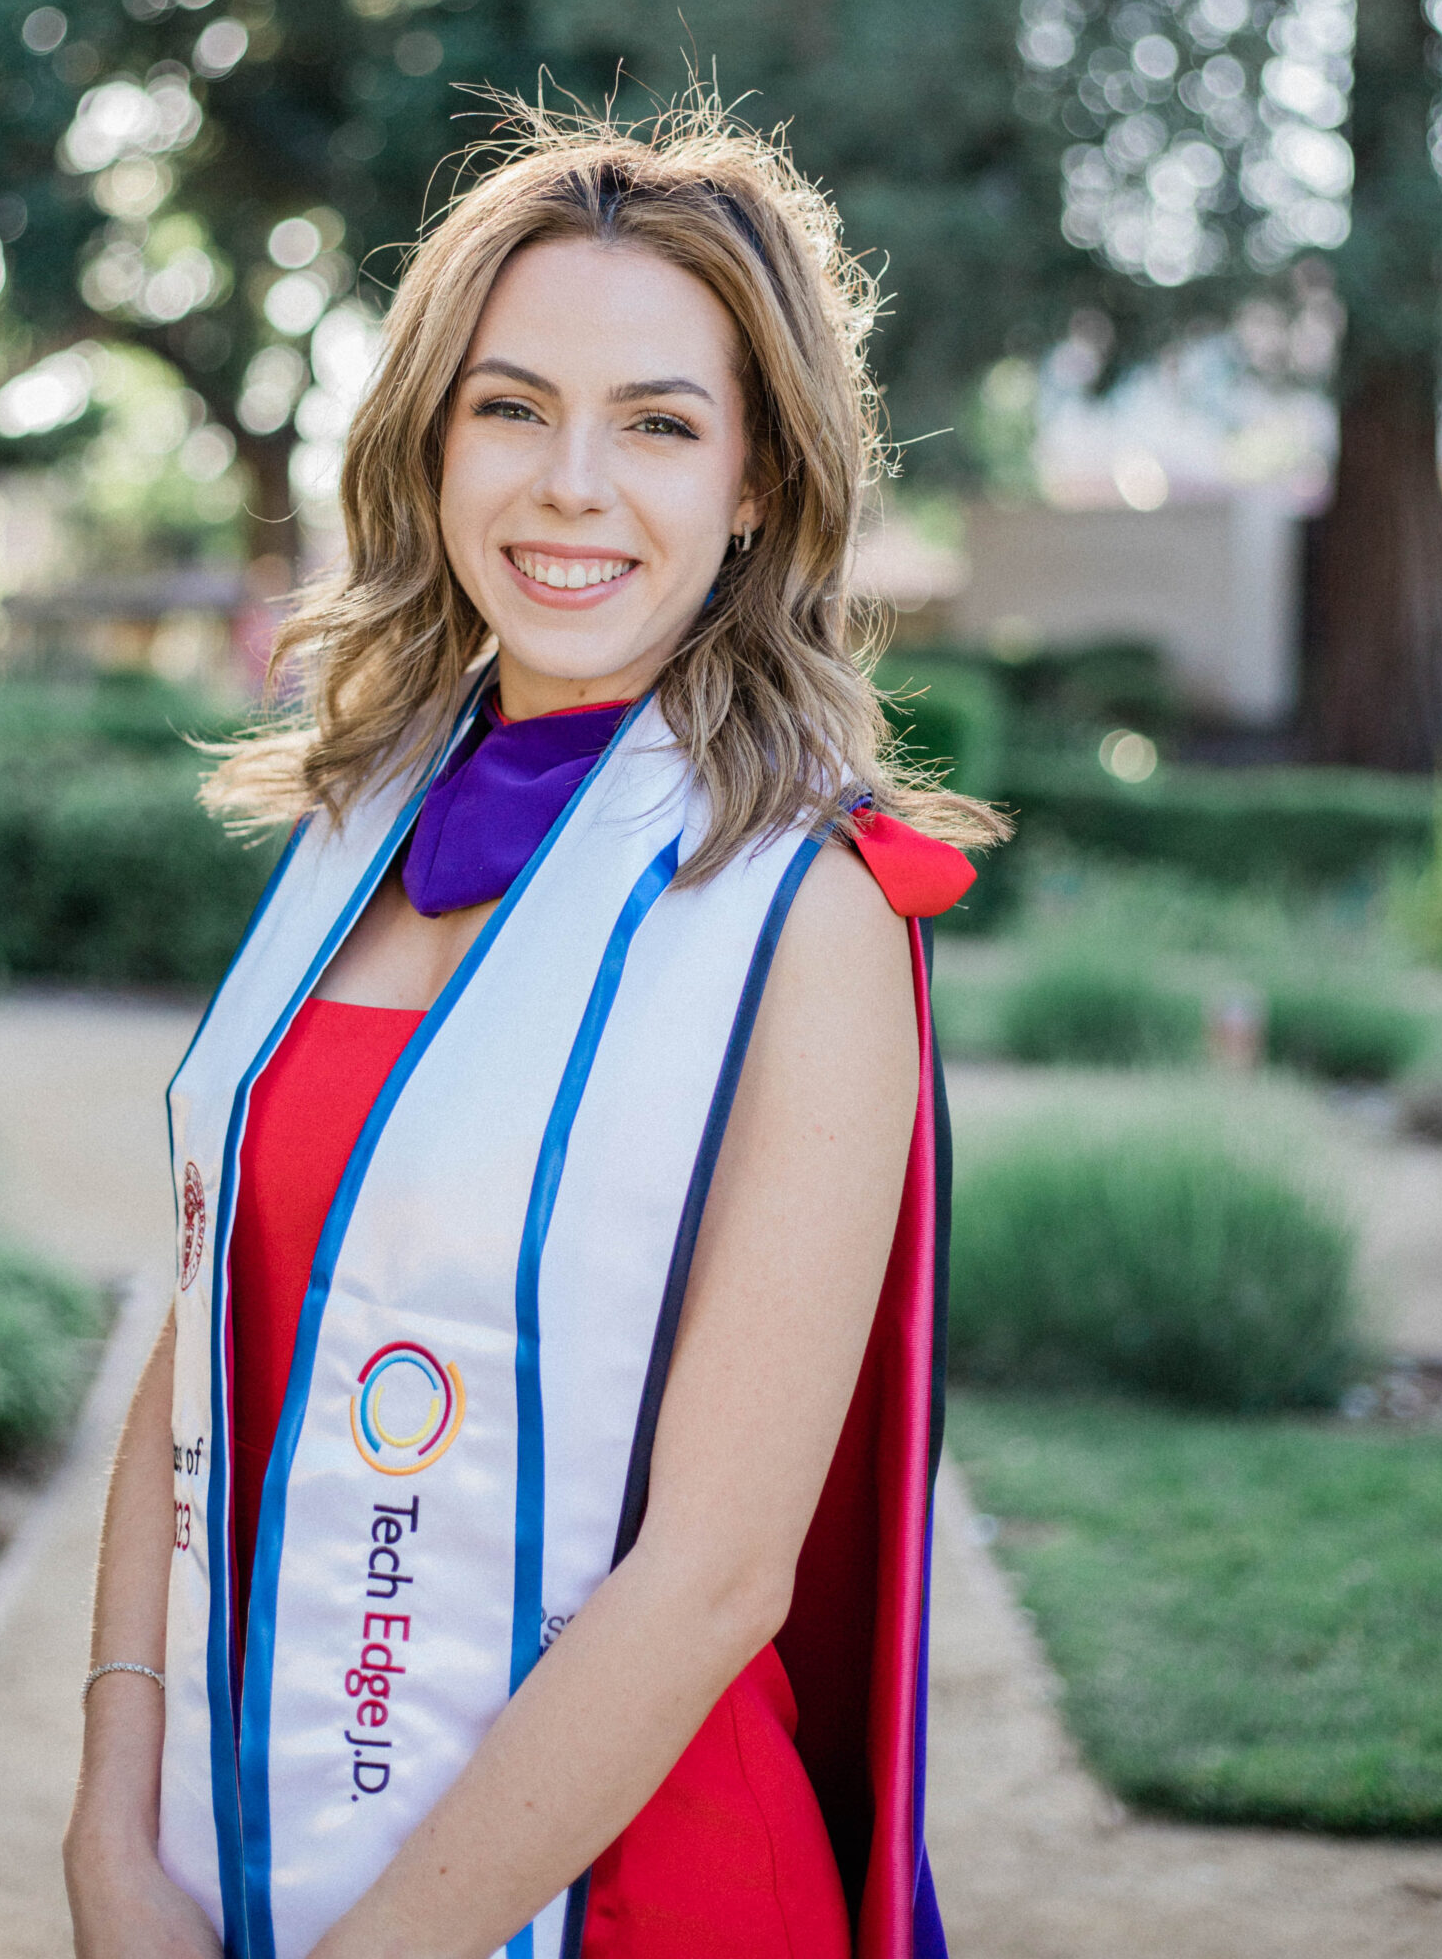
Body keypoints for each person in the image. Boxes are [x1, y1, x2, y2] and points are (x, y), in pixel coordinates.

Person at [64, 101, 1004, 1959]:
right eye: (512, 406)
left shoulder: (794, 910)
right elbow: (202, 1337)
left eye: (656, 423)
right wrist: (109, 1819)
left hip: (616, 1890)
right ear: (430, 439)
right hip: (235, 1838)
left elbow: (722, 1570)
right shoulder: (352, 833)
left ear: (757, 482)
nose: (571, 484)